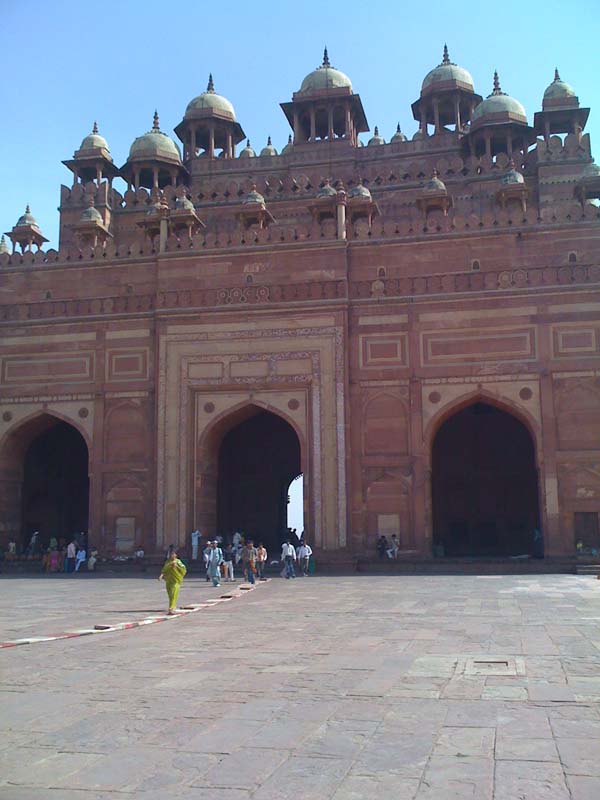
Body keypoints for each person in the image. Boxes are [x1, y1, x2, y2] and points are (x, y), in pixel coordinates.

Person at [159, 548, 187, 614]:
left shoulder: (178, 562)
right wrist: (161, 576)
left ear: (175, 555)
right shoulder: (167, 562)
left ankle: (171, 608)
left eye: (172, 554)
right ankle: (173, 605)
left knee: (174, 594)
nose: (171, 556)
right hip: (168, 580)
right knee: (170, 595)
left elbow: (184, 570)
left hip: (176, 580)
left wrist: (177, 567)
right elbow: (164, 569)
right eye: (170, 554)